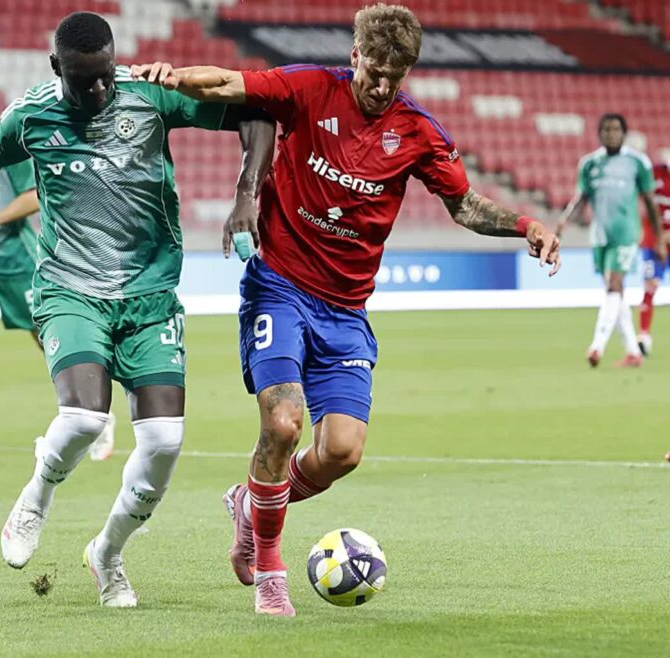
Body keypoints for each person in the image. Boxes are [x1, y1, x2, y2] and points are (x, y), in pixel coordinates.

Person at [0, 11, 275, 608]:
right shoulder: (31, 115)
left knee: (163, 441)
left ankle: (107, 554)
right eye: (84, 80)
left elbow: (258, 114)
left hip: (150, 295)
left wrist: (246, 197)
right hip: (69, 289)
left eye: (106, 76)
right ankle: (38, 492)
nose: (99, 91)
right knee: (86, 418)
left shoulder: (151, 96)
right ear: (56, 67)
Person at [132, 2, 561, 617]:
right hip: (279, 285)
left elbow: (463, 207)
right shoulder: (309, 88)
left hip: (346, 310)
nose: (382, 86)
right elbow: (229, 83)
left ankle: (251, 502)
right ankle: (272, 569)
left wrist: (526, 224)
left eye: (396, 76)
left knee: (342, 452)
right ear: (355, 55)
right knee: (283, 424)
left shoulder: (418, 133)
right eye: (374, 71)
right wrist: (172, 75)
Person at [0, 69, 115, 464]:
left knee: (52, 344)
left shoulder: (5, 145)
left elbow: (33, 198)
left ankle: (100, 414)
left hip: (18, 263)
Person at [557, 114, 664, 368]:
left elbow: (650, 202)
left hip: (626, 235)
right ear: (599, 133)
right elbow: (580, 198)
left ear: (624, 133)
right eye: (606, 129)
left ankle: (597, 346)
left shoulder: (638, 162)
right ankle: (632, 352)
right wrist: (563, 222)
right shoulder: (589, 164)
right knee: (615, 292)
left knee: (613, 286)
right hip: (600, 236)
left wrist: (658, 238)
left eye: (616, 129)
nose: (610, 133)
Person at [637, 136, 670, 359]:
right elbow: (643, 205)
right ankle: (644, 336)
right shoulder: (654, 174)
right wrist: (657, 235)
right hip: (654, 242)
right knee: (650, 284)